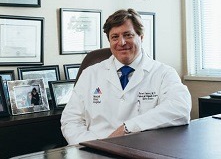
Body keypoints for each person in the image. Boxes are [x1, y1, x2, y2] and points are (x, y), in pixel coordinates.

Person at [61, 8, 192, 145]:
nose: (121, 42)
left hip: (141, 150)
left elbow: (180, 108)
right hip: (94, 151)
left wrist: (128, 128)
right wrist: (94, 144)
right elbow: (71, 120)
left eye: (128, 35)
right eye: (115, 37)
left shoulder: (163, 73)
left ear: (141, 37)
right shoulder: (90, 74)